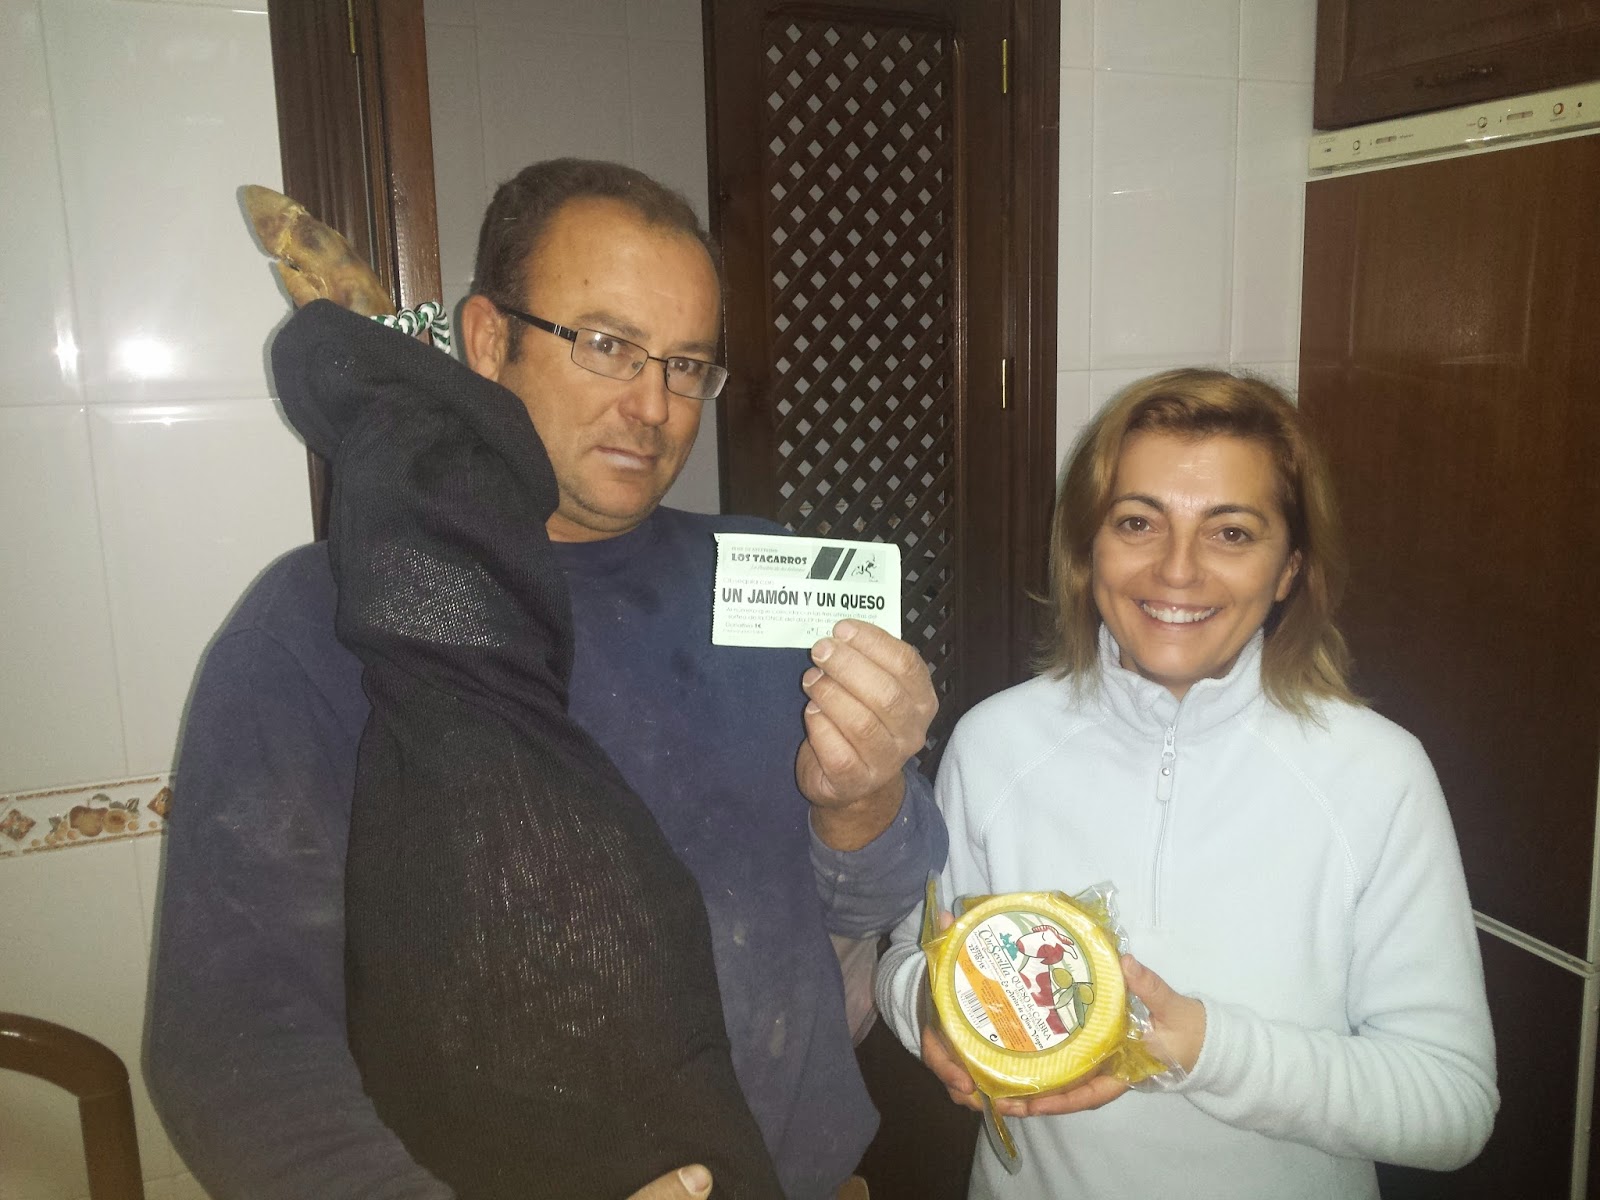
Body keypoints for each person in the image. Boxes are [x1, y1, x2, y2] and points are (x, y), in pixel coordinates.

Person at [147, 159, 945, 1200]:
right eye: (607, 345)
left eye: (686, 364)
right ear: (488, 340)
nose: (652, 405)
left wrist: (862, 800)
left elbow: (874, 901)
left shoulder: (774, 582)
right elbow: (234, 1046)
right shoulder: (321, 622)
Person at [875, 369, 1498, 1198]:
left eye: (1231, 533)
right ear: (1087, 548)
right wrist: (932, 1013)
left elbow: (1451, 1104)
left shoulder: (1378, 774)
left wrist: (1203, 1048)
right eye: (1138, 522)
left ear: (1289, 569)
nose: (1177, 570)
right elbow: (910, 958)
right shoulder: (994, 742)